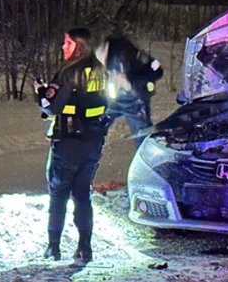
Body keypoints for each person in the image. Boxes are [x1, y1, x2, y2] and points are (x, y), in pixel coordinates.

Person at [35, 28, 109, 263]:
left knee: (58, 195)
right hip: (93, 142)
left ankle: (53, 247)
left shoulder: (68, 73)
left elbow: (51, 106)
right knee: (82, 195)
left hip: (68, 143)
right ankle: (85, 247)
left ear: (78, 46)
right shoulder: (101, 70)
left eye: (67, 43)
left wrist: (41, 94)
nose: (63, 47)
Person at [98, 36, 163, 143]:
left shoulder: (136, 56)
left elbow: (158, 70)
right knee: (96, 126)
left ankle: (147, 155)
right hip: (113, 99)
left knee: (142, 133)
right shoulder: (102, 58)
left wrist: (131, 81)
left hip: (136, 99)